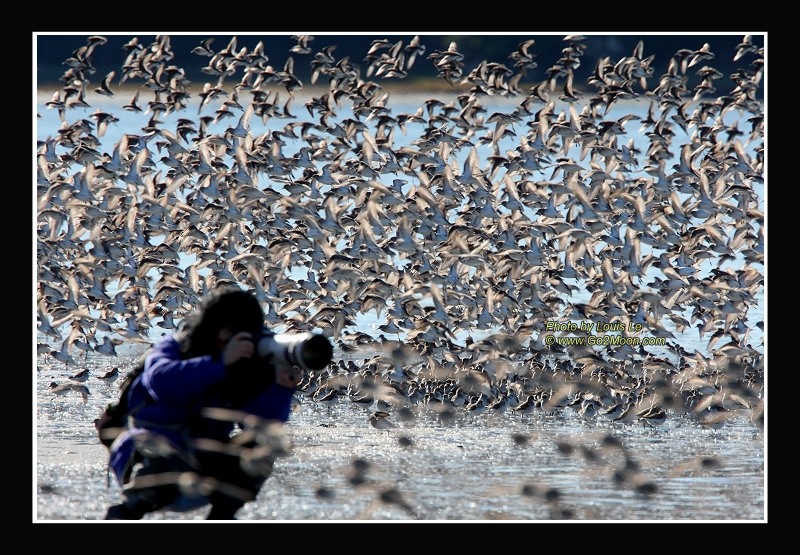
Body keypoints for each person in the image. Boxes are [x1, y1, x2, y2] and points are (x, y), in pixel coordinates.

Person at [104, 286, 303, 520]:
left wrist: (281, 389)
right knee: (161, 453)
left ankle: (221, 517)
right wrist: (220, 365)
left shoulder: (243, 366)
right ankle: (126, 513)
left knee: (262, 447)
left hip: (203, 462)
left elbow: (262, 424)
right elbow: (162, 383)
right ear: (224, 332)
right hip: (145, 459)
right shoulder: (174, 348)